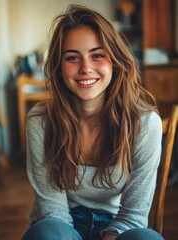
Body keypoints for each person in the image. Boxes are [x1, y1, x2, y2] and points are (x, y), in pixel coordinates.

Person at [21, 4, 164, 240]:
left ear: (115, 61)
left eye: (97, 55)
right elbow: (52, 210)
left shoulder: (146, 123)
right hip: (59, 223)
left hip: (118, 221)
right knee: (46, 234)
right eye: (72, 57)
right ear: (58, 66)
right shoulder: (41, 121)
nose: (86, 68)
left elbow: (133, 214)